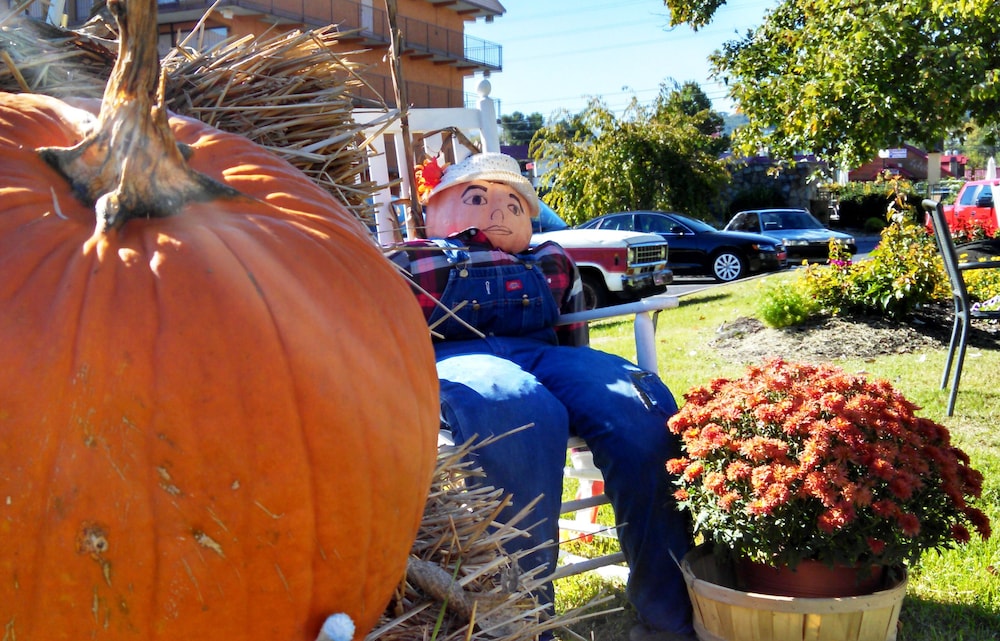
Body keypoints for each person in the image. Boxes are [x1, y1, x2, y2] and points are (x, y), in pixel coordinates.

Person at [388, 153, 694, 641]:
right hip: (456, 358)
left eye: (514, 204)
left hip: (547, 355)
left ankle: (669, 617)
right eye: (477, 199)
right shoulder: (409, 259)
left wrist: (587, 386)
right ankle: (523, 623)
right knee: (515, 409)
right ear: (433, 211)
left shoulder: (550, 260)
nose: (500, 212)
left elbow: (574, 337)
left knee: (637, 407)